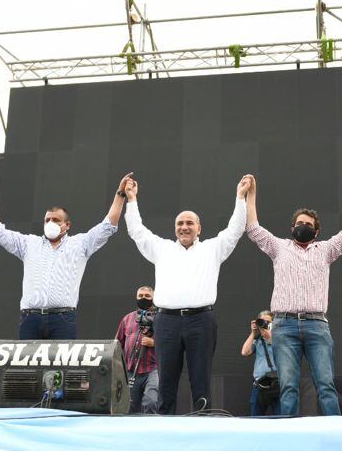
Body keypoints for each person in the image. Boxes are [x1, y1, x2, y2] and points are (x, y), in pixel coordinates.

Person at [125, 174, 252, 414]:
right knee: (166, 382)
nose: (184, 227)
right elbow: (137, 232)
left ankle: (202, 426)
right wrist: (131, 200)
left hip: (201, 321)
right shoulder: (162, 249)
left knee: (200, 379)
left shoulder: (212, 249)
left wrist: (240, 197)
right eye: (180, 223)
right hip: (166, 322)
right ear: (175, 228)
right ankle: (164, 429)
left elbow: (235, 230)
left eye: (189, 223)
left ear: (199, 228)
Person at [244, 177, 342, 416]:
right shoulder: (279, 247)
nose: (303, 226)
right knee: (288, 387)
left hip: (316, 324)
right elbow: (253, 228)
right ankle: (291, 440)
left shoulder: (325, 250)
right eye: (299, 223)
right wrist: (252, 193)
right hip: (284, 324)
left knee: (326, 386)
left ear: (316, 231)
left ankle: (334, 433)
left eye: (308, 224)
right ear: (292, 228)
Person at [0, 174, 130, 340]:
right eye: (47, 220)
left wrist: (120, 194)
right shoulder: (29, 243)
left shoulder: (80, 244)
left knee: (59, 367)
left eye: (56, 220)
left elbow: (108, 225)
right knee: (28, 366)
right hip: (30, 318)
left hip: (63, 318)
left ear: (67, 225)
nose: (50, 223)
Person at [115, 285, 159, 414]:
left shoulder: (161, 318)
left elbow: (171, 344)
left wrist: (154, 342)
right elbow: (117, 344)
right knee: (129, 405)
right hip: (131, 370)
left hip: (153, 369)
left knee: (151, 402)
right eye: (140, 296)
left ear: (153, 298)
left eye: (147, 296)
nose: (143, 298)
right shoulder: (127, 319)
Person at [240, 311, 279, 416]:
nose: (265, 324)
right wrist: (253, 333)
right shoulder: (257, 340)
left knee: (281, 418)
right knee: (255, 417)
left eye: (268, 322)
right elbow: (245, 352)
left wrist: (270, 335)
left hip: (277, 384)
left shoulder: (280, 338)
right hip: (260, 384)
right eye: (262, 321)